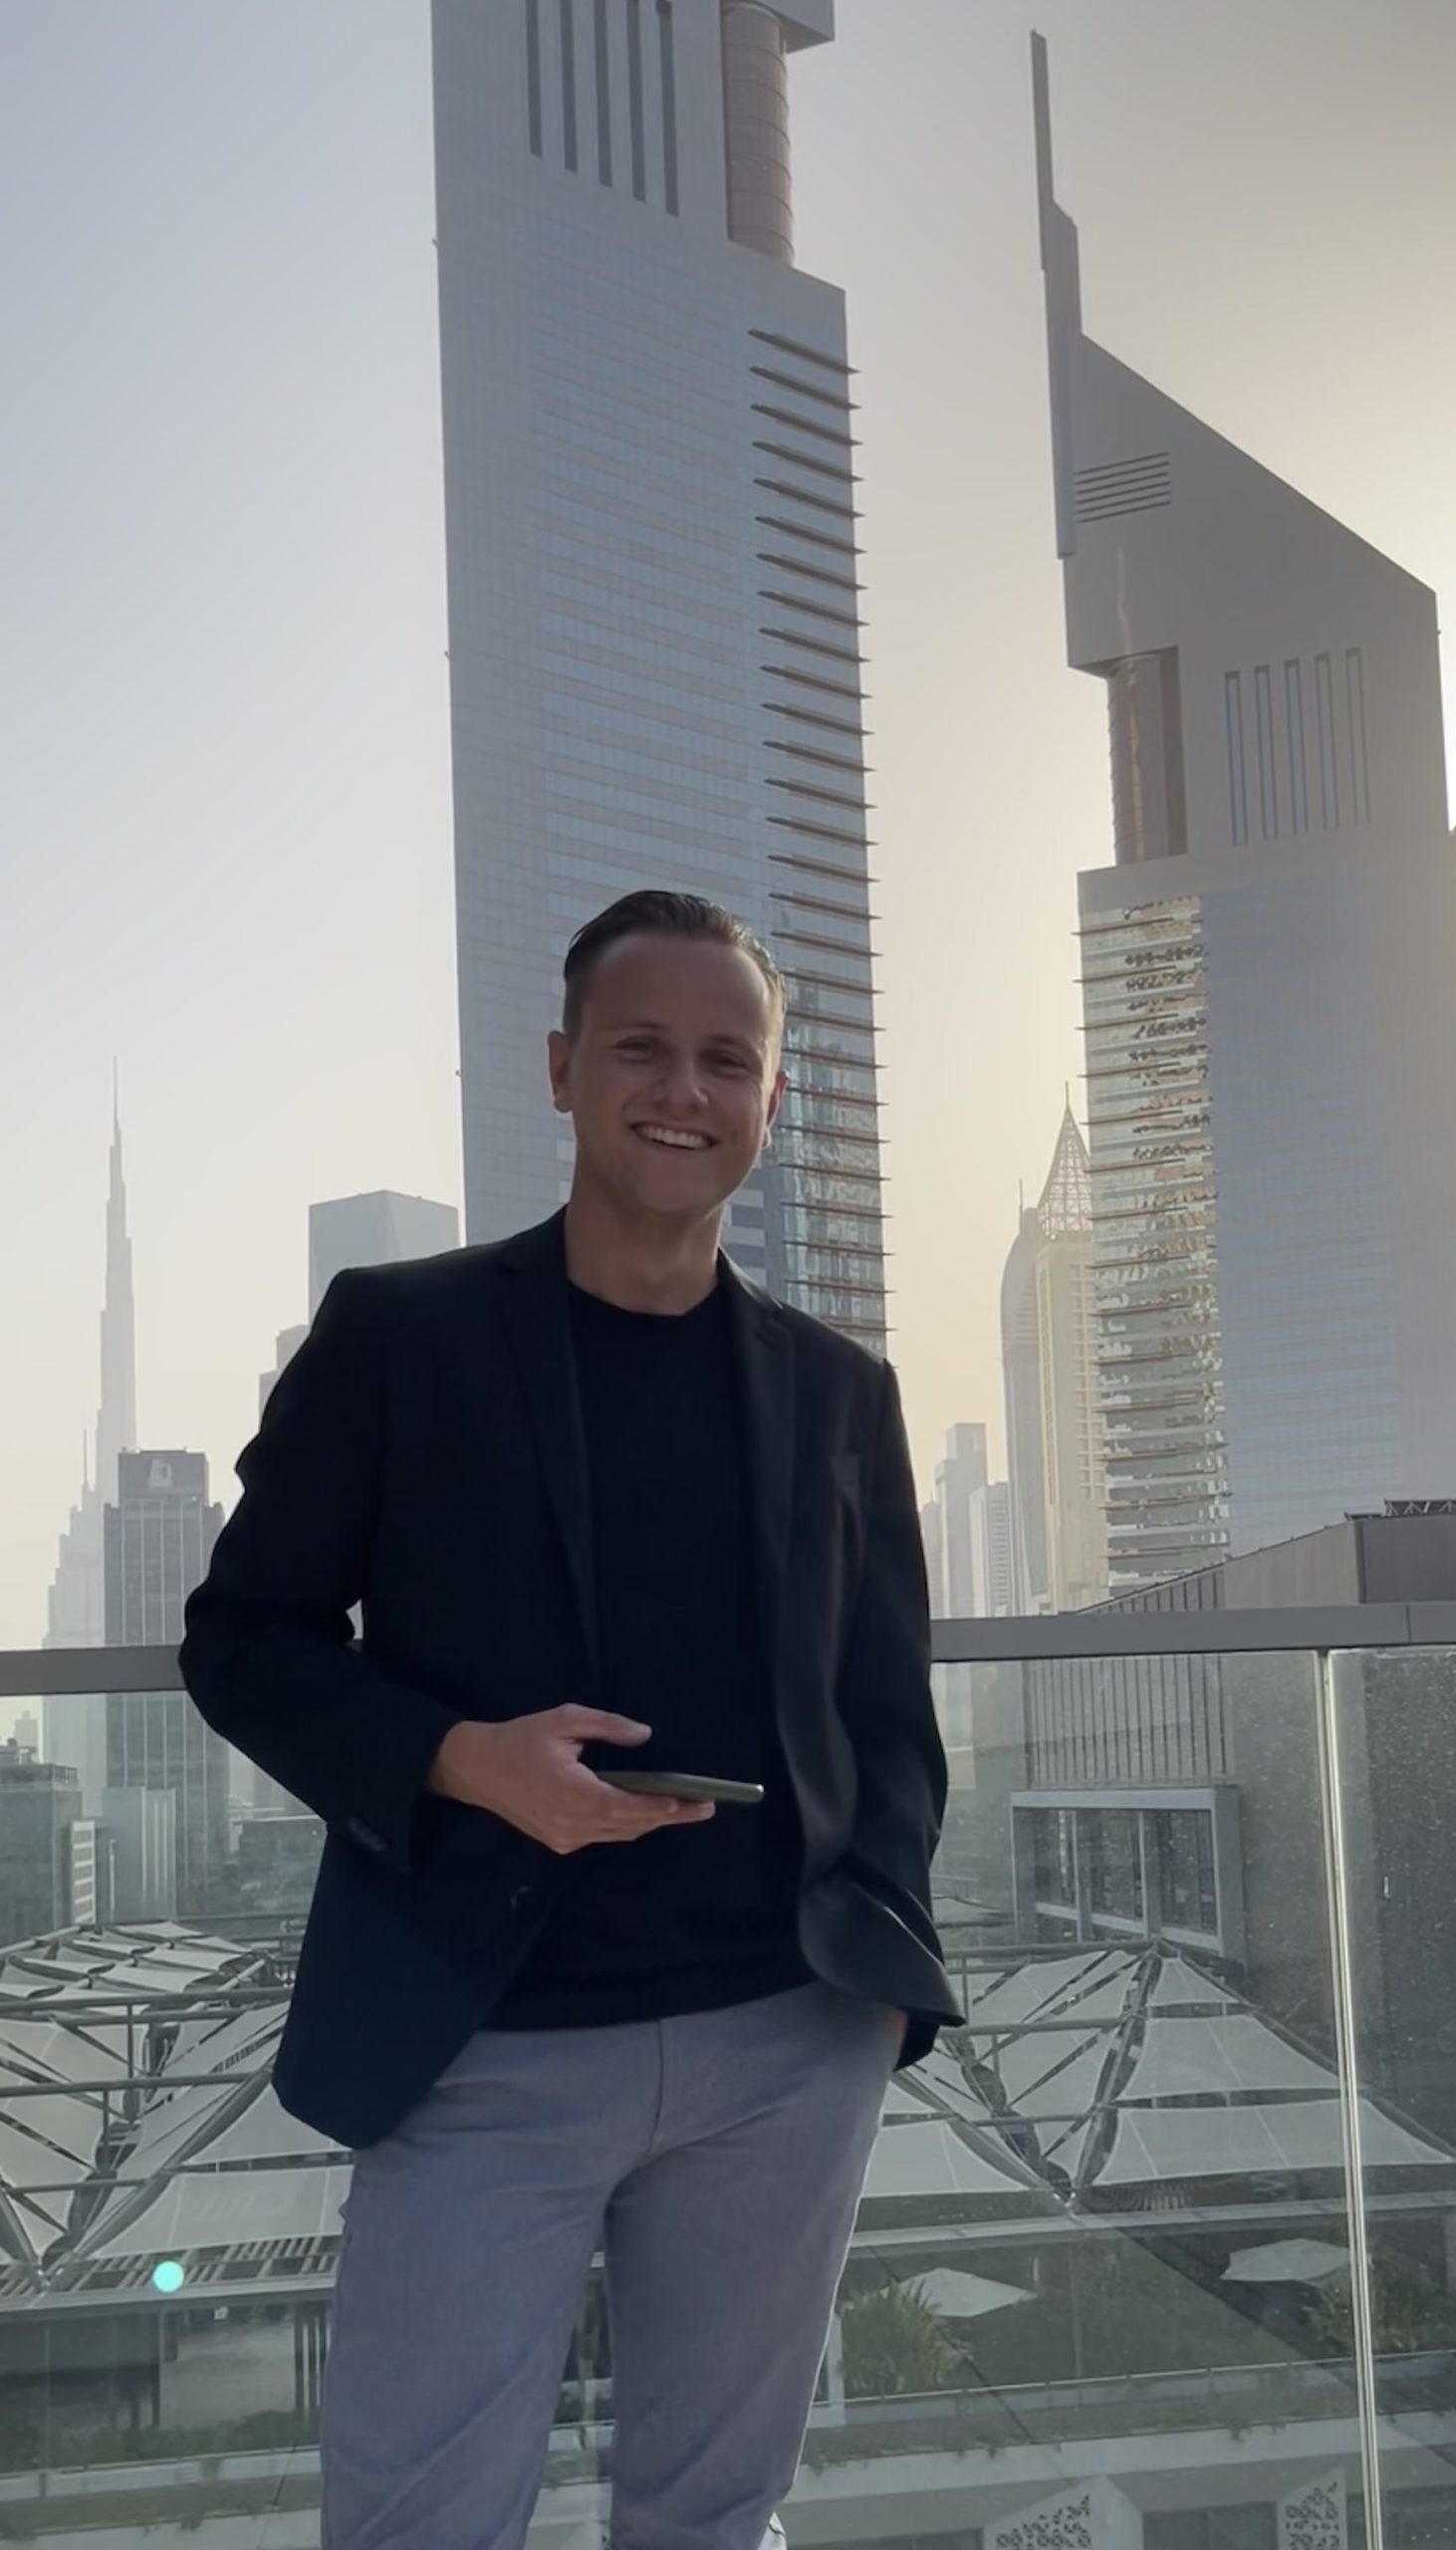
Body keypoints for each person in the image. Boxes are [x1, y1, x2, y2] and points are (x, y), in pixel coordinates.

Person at [181, 889, 959, 2550]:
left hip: (784, 2045)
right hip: (485, 2041)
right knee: (415, 2521)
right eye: (643, 1048)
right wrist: (464, 1763)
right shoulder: (401, 1337)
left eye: (727, 1060)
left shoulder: (839, 1390)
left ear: (769, 1099)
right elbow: (242, 1638)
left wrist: (882, 1980)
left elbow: (886, 1707)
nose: (685, 1089)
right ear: (560, 1068)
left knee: (711, 2519)